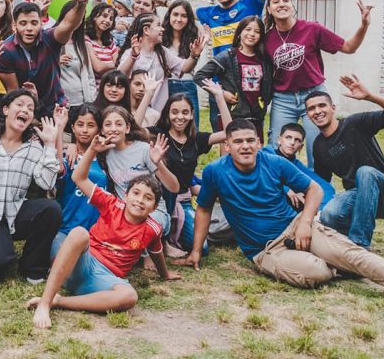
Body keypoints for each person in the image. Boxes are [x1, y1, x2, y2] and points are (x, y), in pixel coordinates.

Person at [181, 119, 384, 320]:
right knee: (317, 271)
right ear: (226, 145)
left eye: (250, 140)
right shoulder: (215, 172)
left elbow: (314, 189)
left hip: (296, 227)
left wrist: (303, 222)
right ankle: (338, 264)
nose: (245, 146)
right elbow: (203, 209)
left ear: (260, 143)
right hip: (266, 250)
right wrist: (196, 251)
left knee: (353, 254)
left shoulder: (274, 162)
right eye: (238, 141)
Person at [28, 129, 181, 329]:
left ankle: (60, 301)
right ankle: (45, 304)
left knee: (129, 296)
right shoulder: (111, 203)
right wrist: (92, 149)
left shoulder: (152, 228)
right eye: (136, 193)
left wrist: (165, 274)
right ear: (125, 196)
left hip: (104, 280)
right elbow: (79, 178)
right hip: (80, 265)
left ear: (154, 207)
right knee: (79, 233)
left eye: (148, 198)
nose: (140, 200)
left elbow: (156, 250)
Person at [265, 0, 373, 164]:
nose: (281, 4)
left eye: (286, 0)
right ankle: (280, 189)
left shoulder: (312, 29)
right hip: (283, 99)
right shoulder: (267, 39)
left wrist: (364, 25)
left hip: (313, 96)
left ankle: (321, 190)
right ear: (269, 9)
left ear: (292, 5)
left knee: (318, 149)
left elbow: (349, 47)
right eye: (275, 1)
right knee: (276, 149)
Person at [0, 90, 63, 283]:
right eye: (20, 104)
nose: (25, 110)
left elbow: (47, 182)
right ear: (6, 109)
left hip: (13, 211)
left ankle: (33, 267)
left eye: (30, 108)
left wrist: (50, 144)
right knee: (0, 263)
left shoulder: (34, 148)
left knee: (51, 210)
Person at [307, 75, 384, 248]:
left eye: (322, 105)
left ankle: (359, 245)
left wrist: (370, 97)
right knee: (330, 214)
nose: (317, 111)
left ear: (333, 108)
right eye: (311, 108)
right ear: (308, 115)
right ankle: (344, 245)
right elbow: (322, 184)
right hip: (358, 198)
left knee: (365, 172)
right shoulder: (319, 146)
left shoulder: (355, 123)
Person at [147, 82, 231, 254]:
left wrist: (219, 97)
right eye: (175, 112)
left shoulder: (196, 139)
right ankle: (162, 239)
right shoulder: (159, 134)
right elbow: (133, 129)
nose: (180, 117)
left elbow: (230, 133)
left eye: (185, 112)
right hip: (160, 200)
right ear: (168, 115)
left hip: (183, 200)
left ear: (192, 115)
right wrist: (148, 94)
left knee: (203, 248)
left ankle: (172, 233)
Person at [0, 0, 91, 118]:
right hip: (24, 111)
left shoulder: (50, 38)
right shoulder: (6, 50)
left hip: (55, 109)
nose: (29, 28)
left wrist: (81, 4)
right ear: (14, 25)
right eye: (23, 23)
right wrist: (32, 100)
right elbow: (13, 93)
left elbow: (68, 24)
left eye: (34, 23)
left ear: (41, 23)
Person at [98, 106, 179, 234]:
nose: (113, 128)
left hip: (152, 213)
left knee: (139, 230)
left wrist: (158, 163)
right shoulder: (103, 153)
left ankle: (154, 247)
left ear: (127, 128)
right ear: (102, 130)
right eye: (108, 124)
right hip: (126, 214)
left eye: (119, 124)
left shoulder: (143, 149)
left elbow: (174, 187)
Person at [193, 16, 273, 140]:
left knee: (254, 156)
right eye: (248, 29)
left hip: (256, 118)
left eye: (257, 32)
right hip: (231, 116)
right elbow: (200, 76)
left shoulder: (264, 60)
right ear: (240, 32)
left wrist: (263, 102)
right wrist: (221, 93)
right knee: (228, 156)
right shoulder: (228, 56)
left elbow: (268, 86)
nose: (252, 34)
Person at [118, 13, 205, 116]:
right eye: (158, 25)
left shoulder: (162, 52)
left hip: (157, 114)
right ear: (146, 30)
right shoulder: (130, 53)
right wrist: (133, 56)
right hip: (133, 113)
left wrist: (194, 55)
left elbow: (184, 68)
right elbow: (119, 75)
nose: (162, 29)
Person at [50, 105, 107, 258]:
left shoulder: (105, 158)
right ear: (73, 128)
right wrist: (60, 127)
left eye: (91, 125)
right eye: (80, 125)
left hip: (97, 234)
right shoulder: (68, 157)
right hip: (67, 231)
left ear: (99, 129)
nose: (85, 130)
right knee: (62, 267)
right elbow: (58, 167)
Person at [272, 123, 335, 212]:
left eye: (297, 140)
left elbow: (325, 187)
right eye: (288, 137)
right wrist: (286, 189)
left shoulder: (297, 166)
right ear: (279, 140)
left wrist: (319, 211)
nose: (292, 142)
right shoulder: (267, 155)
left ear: (301, 147)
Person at [162, 0, 203, 128]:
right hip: (164, 86)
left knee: (192, 128)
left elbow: (205, 21)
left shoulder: (194, 38)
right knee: (165, 128)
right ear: (169, 16)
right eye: (175, 14)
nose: (179, 19)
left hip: (187, 85)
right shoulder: (160, 36)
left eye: (184, 16)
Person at [56, 0, 98, 126]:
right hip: (60, 103)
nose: (76, 20)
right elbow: (40, 67)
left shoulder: (81, 45)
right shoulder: (52, 40)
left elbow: (90, 76)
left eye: (80, 17)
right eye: (74, 15)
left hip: (80, 103)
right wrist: (56, 62)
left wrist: (91, 102)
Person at [84, 2, 119, 78]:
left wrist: (105, 64)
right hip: (93, 88)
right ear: (94, 17)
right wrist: (113, 64)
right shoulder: (86, 39)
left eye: (111, 19)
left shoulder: (110, 42)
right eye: (105, 16)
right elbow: (98, 68)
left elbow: (120, 65)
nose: (107, 21)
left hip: (110, 86)